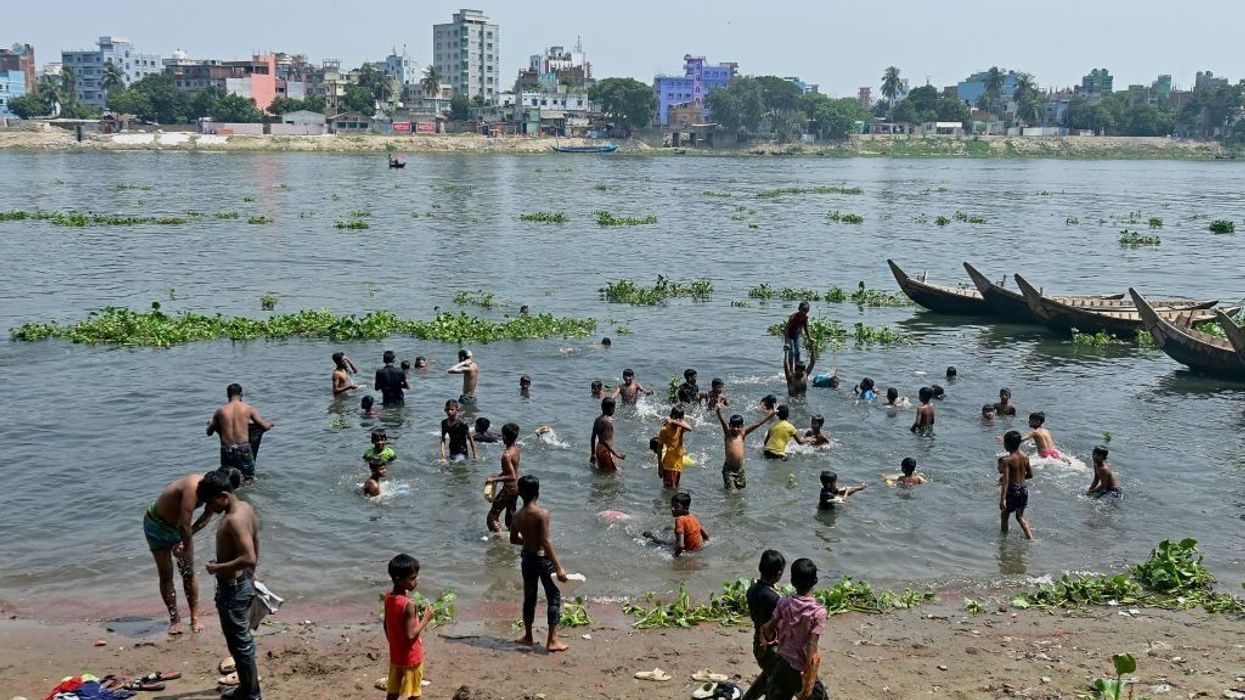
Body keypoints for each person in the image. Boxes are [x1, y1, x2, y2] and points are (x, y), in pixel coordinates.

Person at [144, 471, 229, 635]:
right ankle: (174, 619)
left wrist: (184, 543)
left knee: (188, 572)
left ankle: (194, 617)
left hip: (179, 527)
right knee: (166, 573)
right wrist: (185, 544)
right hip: (157, 524)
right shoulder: (193, 487)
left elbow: (205, 516)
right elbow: (185, 524)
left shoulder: (215, 488)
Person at [201, 469, 261, 700]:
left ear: (224, 496)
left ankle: (252, 695)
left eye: (210, 502)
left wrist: (217, 568)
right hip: (243, 582)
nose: (210, 508)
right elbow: (256, 543)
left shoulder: (233, 519)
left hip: (234, 588)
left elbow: (248, 556)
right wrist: (252, 575)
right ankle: (246, 689)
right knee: (239, 641)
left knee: (241, 645)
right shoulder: (245, 507)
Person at [510, 475, 569, 652]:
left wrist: (528, 541)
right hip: (542, 559)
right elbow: (545, 542)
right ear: (537, 492)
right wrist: (558, 567)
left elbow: (513, 539)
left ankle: (528, 635)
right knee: (554, 597)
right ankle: (552, 640)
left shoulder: (516, 515)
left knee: (529, 596)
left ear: (520, 493)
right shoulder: (542, 514)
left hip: (526, 558)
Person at [760, 558, 827, 700]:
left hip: (783, 661)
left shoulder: (784, 602)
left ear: (792, 581)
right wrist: (809, 675)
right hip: (801, 666)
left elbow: (771, 628)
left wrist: (766, 637)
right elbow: (811, 645)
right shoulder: (818, 612)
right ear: (815, 581)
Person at [382, 554, 435, 700]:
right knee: (414, 694)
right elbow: (411, 634)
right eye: (412, 578)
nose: (416, 581)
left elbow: (385, 625)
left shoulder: (388, 598)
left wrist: (393, 643)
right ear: (398, 579)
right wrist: (426, 618)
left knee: (392, 692)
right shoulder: (409, 604)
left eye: (416, 577)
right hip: (412, 656)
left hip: (396, 654)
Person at [741, 550, 786, 700]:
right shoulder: (774, 598)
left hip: (758, 642)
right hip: (772, 646)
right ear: (779, 574)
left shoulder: (752, 590)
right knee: (778, 681)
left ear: (760, 568)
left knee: (769, 673)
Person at [207, 383, 273, 482]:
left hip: (227, 450)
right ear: (241, 395)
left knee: (226, 479)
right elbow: (264, 426)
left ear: (227, 395)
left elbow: (209, 432)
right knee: (249, 479)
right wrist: (270, 424)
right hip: (243, 449)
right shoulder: (248, 409)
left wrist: (210, 423)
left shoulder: (220, 411)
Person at [717, 404, 776, 489]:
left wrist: (770, 414)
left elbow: (757, 424)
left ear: (742, 426)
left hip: (740, 469)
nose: (735, 429)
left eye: (738, 427)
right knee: (729, 490)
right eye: (733, 426)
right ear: (729, 425)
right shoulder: (728, 434)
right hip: (728, 469)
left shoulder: (742, 434)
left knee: (741, 489)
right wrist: (718, 412)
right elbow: (723, 422)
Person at [486, 423, 522, 533]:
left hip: (508, 489)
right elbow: (512, 471)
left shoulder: (506, 455)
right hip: (516, 488)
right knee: (510, 517)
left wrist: (494, 480)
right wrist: (498, 476)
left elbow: (511, 476)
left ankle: (501, 539)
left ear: (504, 437)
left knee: (492, 517)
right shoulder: (516, 449)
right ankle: (512, 538)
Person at [999, 430, 1035, 539]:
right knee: (1019, 516)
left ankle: (1003, 539)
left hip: (1012, 490)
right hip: (1024, 489)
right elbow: (1030, 475)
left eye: (1004, 443)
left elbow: (1005, 481)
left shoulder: (1007, 460)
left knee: (1004, 515)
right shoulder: (1025, 457)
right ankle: (1030, 538)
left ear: (1007, 445)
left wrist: (1003, 499)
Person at [657, 406, 693, 488]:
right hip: (669, 465)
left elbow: (690, 428)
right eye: (675, 417)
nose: (678, 420)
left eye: (680, 418)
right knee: (670, 490)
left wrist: (673, 421)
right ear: (671, 415)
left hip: (678, 464)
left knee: (675, 488)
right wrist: (660, 466)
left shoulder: (681, 426)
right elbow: (659, 447)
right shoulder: (665, 429)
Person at [589, 397, 625, 471]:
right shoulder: (608, 422)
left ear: (602, 407)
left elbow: (593, 437)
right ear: (611, 409)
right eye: (614, 408)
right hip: (606, 450)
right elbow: (604, 441)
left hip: (599, 448)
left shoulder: (597, 419)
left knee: (602, 471)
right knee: (615, 472)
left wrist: (593, 454)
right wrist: (616, 454)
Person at [670, 491, 708, 557]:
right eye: (672, 505)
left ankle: (649, 535)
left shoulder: (679, 519)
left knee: (657, 540)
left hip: (688, 551)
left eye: (676, 506)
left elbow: (681, 546)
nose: (672, 509)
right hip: (697, 550)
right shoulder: (693, 516)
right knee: (669, 528)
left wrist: (674, 557)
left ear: (686, 507)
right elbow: (706, 536)